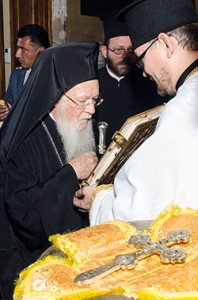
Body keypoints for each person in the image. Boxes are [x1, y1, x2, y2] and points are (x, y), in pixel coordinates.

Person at [73, 0, 198, 225]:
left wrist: (98, 199)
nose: (144, 72)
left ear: (166, 44)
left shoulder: (183, 109)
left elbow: (139, 211)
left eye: (140, 59)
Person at [0, 41, 99, 299]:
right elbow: (25, 215)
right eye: (81, 101)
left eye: (95, 99)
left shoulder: (76, 124)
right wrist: (70, 173)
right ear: (54, 97)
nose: (91, 110)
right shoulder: (22, 143)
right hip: (29, 264)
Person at [94, 12, 166, 150]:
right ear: (104, 51)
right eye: (118, 50)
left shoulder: (151, 82)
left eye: (130, 50)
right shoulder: (92, 82)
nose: (125, 56)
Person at [0, 24, 50, 122]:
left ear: (41, 52)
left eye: (23, 50)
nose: (17, 54)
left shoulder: (53, 78)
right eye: (18, 48)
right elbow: (9, 103)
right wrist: (5, 111)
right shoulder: (16, 76)